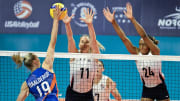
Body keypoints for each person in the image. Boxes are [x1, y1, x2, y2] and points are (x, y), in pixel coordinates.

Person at [103, 2, 170, 101]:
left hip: (160, 87)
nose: (141, 46)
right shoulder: (136, 54)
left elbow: (144, 36)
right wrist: (113, 22)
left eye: (144, 44)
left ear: (149, 45)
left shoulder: (155, 52)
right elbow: (124, 38)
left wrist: (132, 19)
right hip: (147, 88)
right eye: (140, 44)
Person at [12, 6, 62, 101]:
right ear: (35, 61)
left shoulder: (26, 84)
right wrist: (56, 20)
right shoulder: (46, 66)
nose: (39, 59)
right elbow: (52, 43)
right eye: (37, 57)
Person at [63, 8, 104, 101]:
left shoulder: (94, 57)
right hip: (73, 94)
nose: (85, 43)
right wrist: (67, 24)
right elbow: (70, 38)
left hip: (88, 95)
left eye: (87, 42)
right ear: (79, 44)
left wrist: (90, 25)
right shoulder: (74, 55)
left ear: (90, 45)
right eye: (82, 41)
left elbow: (93, 40)